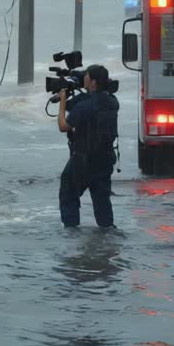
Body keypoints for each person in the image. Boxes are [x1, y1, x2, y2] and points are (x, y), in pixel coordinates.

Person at [57, 64, 119, 229]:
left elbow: (64, 126)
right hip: (105, 160)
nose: (83, 78)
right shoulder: (113, 102)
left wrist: (62, 100)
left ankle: (71, 232)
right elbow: (91, 101)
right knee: (101, 199)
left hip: (83, 160)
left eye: (86, 76)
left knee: (68, 192)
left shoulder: (85, 107)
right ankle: (107, 231)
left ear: (92, 82)